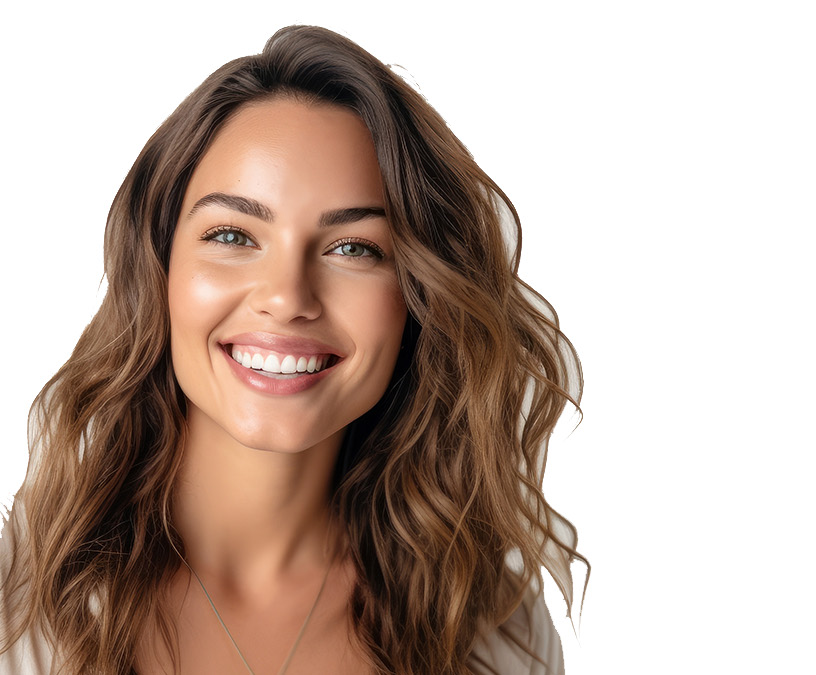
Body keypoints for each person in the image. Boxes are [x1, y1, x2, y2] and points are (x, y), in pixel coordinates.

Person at [0, 25, 586, 674]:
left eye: (353, 248)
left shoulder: (491, 627)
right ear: (159, 269)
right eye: (232, 234)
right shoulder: (15, 603)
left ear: (420, 298)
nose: (286, 296)